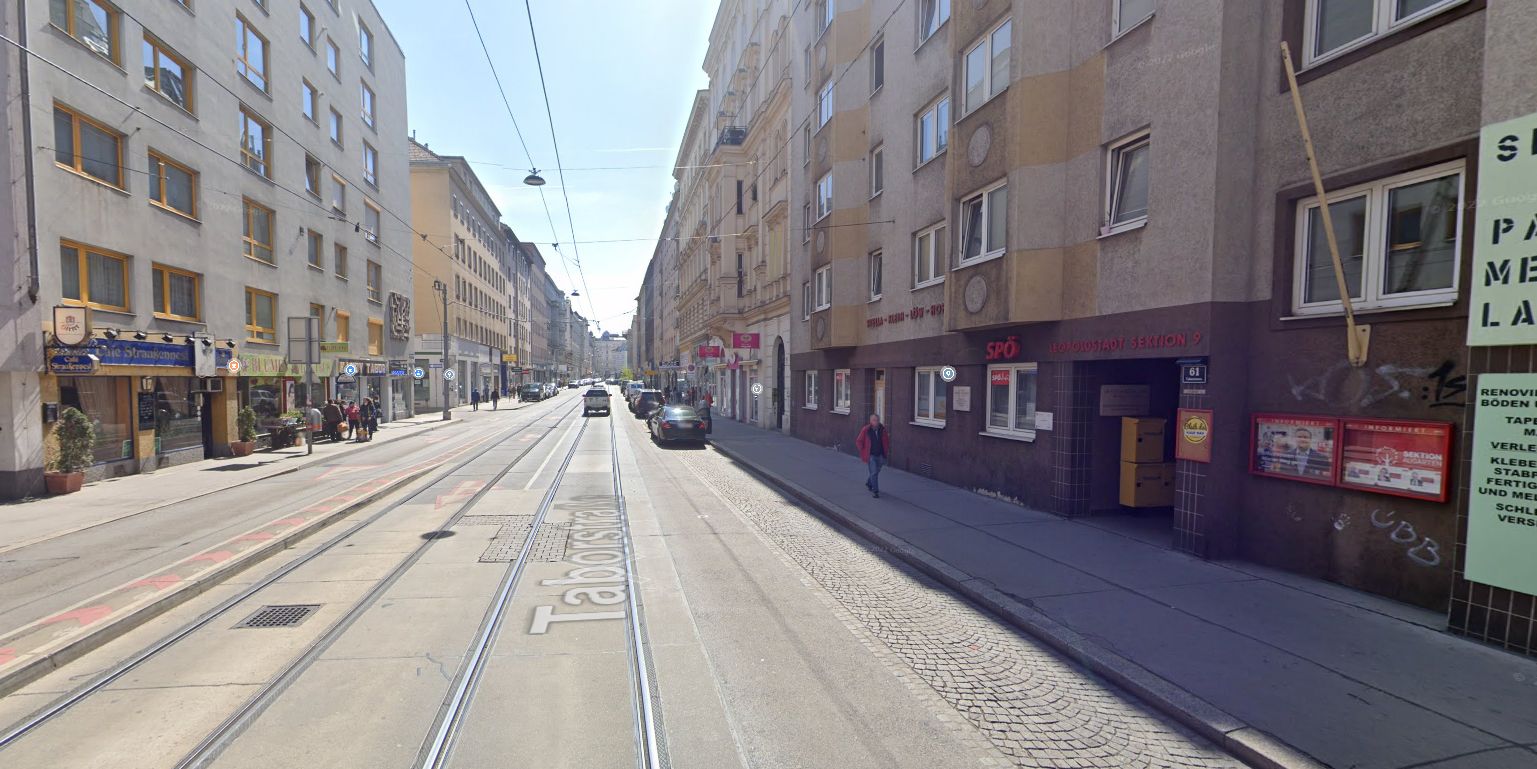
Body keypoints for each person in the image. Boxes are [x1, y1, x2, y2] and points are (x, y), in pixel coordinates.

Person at [855, 413, 890, 498]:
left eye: (877, 420)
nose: (876, 422)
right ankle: (875, 491)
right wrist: (863, 450)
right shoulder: (866, 430)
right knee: (874, 472)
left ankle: (869, 482)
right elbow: (859, 441)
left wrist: (886, 450)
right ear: (870, 421)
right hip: (871, 455)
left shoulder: (882, 429)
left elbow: (886, 441)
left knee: (876, 471)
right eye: (874, 420)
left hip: (880, 455)